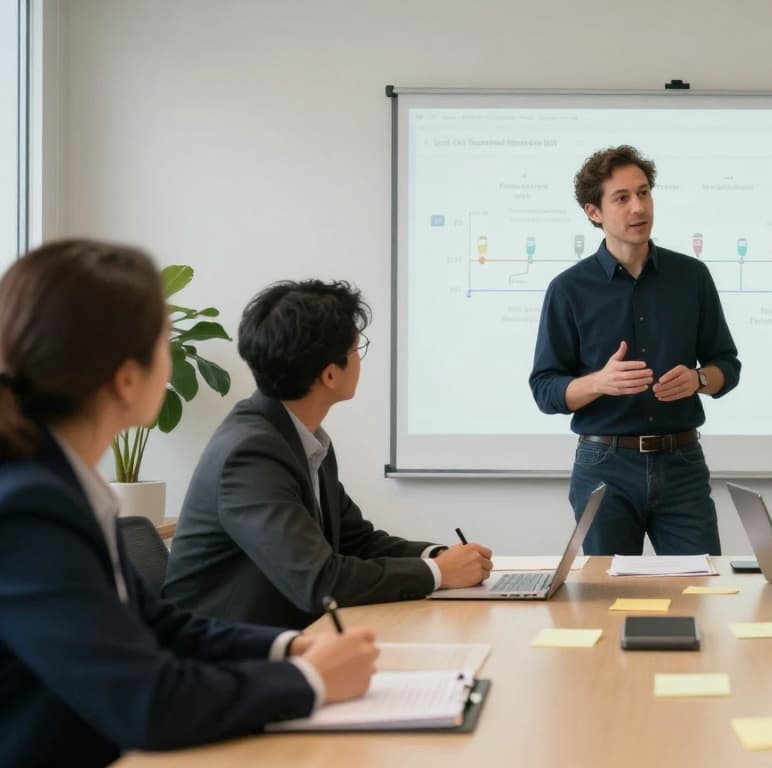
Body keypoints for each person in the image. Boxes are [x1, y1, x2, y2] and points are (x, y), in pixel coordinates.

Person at [0, 241, 378, 767]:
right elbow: (148, 703)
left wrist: (289, 649)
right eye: (163, 341)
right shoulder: (29, 510)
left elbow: (163, 627)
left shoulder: (61, 485)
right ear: (126, 378)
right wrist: (309, 680)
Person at [162, 280, 492, 629]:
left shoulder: (300, 438)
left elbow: (357, 541)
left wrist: (437, 557)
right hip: (222, 659)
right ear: (330, 374)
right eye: (356, 349)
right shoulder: (250, 454)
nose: (360, 359)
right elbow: (319, 581)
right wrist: (438, 573)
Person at [530, 145, 741, 555]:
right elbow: (545, 389)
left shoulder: (691, 276)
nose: (638, 207)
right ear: (594, 212)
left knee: (700, 591)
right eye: (622, 198)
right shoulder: (568, 289)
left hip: (681, 463)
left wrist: (699, 379)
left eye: (644, 193)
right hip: (603, 466)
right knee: (604, 601)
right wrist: (599, 383)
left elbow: (727, 366)